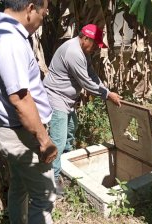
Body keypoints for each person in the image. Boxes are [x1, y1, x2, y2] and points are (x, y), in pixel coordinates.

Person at [0, 0, 58, 224]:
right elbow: (20, 98)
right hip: (25, 134)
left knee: (20, 189)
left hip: (16, 132)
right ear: (30, 9)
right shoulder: (9, 40)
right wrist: (44, 139)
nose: (41, 20)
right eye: (43, 14)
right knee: (44, 198)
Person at [43, 24, 122, 196]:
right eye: (94, 44)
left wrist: (106, 90)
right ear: (85, 38)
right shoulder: (73, 52)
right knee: (58, 140)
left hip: (68, 100)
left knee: (71, 132)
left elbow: (92, 75)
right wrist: (108, 95)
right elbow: (86, 83)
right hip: (56, 99)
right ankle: (53, 181)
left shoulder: (83, 52)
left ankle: (66, 167)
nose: (95, 49)